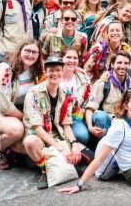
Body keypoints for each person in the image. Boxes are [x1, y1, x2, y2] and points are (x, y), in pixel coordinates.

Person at [0, 39, 44, 170]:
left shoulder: (34, 70)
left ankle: (8, 144)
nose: (30, 55)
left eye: (34, 52)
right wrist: (27, 119)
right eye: (27, 51)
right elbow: (4, 107)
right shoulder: (5, 69)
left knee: (22, 146)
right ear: (19, 52)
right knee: (16, 130)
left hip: (15, 109)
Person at [23, 56, 84, 190]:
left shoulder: (67, 94)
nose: (55, 73)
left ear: (63, 72)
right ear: (45, 72)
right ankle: (45, 171)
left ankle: (66, 163)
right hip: (40, 137)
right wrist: (60, 148)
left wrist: (74, 144)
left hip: (58, 135)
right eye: (51, 70)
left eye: (58, 70)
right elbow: (37, 128)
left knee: (86, 156)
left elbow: (66, 125)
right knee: (30, 142)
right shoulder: (33, 93)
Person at [85, 52, 131, 138]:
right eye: (119, 63)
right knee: (100, 116)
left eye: (126, 63)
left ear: (129, 65)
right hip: (108, 121)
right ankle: (104, 146)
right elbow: (90, 108)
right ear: (112, 64)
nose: (122, 66)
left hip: (124, 120)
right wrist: (90, 127)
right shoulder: (103, 83)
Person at [59, 47, 96, 148]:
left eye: (75, 58)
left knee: (82, 136)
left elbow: (89, 99)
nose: (72, 61)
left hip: (75, 117)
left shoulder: (83, 77)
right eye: (68, 57)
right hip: (56, 117)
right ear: (61, 59)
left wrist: (83, 114)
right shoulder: (54, 75)